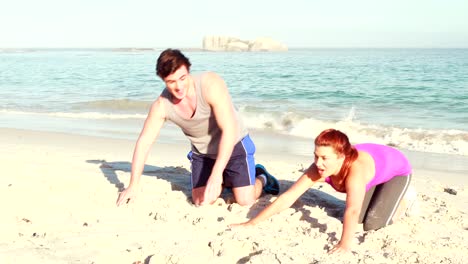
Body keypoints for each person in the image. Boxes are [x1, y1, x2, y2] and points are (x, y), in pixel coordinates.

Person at [116, 48, 279, 207]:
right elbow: (144, 142)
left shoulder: (210, 84)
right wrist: (133, 185)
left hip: (234, 144)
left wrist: (216, 175)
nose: (179, 87)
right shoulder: (162, 105)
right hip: (203, 153)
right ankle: (227, 178)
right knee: (202, 201)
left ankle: (261, 176)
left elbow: (229, 130)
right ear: (163, 80)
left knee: (245, 200)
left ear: (188, 70)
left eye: (182, 78)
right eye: (171, 82)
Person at [230, 128, 412, 254]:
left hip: (397, 171)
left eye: (324, 158)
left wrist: (344, 244)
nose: (318, 163)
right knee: (356, 220)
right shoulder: (319, 167)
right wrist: (251, 223)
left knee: (372, 224)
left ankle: (403, 201)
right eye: (316, 156)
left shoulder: (355, 172)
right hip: (375, 172)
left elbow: (352, 210)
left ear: (341, 156)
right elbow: (288, 197)